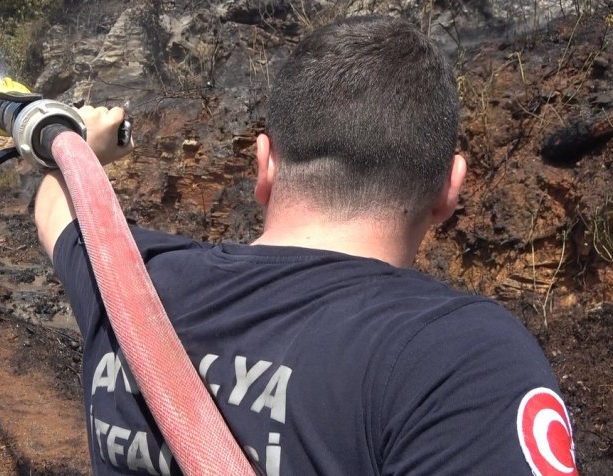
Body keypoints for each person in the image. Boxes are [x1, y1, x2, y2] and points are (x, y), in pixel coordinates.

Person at [32, 15, 578, 476]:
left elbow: (56, 210)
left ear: (263, 165)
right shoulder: (460, 361)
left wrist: (80, 146)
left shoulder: (127, 280)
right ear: (449, 189)